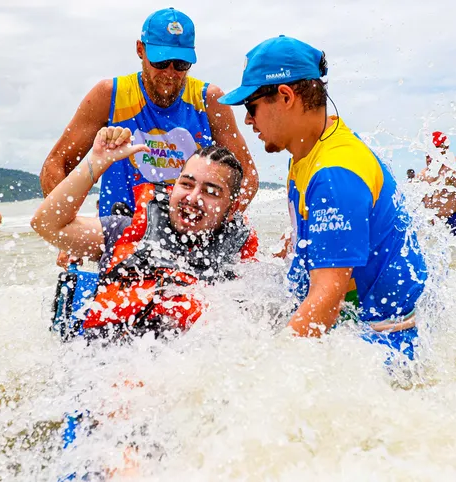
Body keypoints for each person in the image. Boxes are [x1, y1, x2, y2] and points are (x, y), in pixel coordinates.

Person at [217, 35, 428, 360]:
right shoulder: (310, 149)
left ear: (285, 96)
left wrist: (263, 370)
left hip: (379, 345)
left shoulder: (334, 174)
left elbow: (326, 300)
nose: (248, 120)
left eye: (251, 106)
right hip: (355, 325)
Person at [38, 7, 259, 268]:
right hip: (123, 239)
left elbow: (248, 176)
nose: (170, 73)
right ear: (140, 50)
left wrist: (216, 229)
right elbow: (55, 165)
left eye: (181, 65)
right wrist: (71, 231)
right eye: (161, 62)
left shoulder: (209, 100)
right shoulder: (109, 95)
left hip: (190, 243)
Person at [31, 126, 258, 341]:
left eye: (210, 192)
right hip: (100, 368)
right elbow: (48, 225)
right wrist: (97, 162)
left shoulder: (238, 263)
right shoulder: (124, 230)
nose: (192, 198)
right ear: (174, 186)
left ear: (233, 209)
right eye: (187, 184)